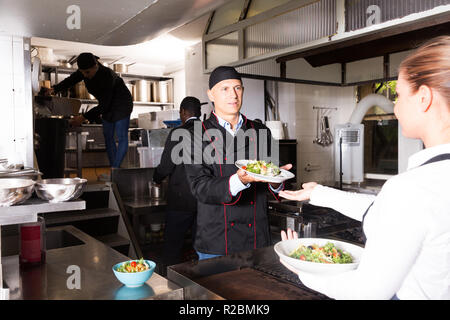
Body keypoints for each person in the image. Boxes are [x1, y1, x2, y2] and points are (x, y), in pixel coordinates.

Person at [279, 36, 450, 300]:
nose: (394, 107)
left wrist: (303, 271)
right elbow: (387, 213)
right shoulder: (424, 186)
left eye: (399, 95)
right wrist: (320, 193)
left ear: (424, 98)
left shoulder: (412, 189)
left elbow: (365, 293)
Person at [185, 66, 292, 260]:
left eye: (237, 88)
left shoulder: (261, 131)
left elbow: (275, 178)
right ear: (211, 94)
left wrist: (276, 182)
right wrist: (239, 180)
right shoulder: (194, 134)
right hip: (216, 240)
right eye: (224, 88)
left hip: (256, 238)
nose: (233, 95)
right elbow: (199, 186)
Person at [48, 52, 133, 169]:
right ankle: (114, 170)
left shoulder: (107, 75)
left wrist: (83, 117)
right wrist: (54, 89)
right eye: (82, 72)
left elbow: (104, 106)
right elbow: (71, 80)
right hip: (107, 105)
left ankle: (115, 171)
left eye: (87, 72)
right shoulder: (85, 71)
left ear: (95, 66)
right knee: (108, 137)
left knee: (121, 136)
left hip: (122, 104)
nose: (85, 75)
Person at [152, 96, 202, 269]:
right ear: (199, 113)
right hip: (205, 198)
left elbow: (166, 165)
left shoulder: (178, 133)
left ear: (183, 113)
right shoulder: (211, 132)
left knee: (173, 244)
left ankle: (171, 281)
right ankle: (201, 283)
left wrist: (156, 178)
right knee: (200, 245)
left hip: (181, 197)